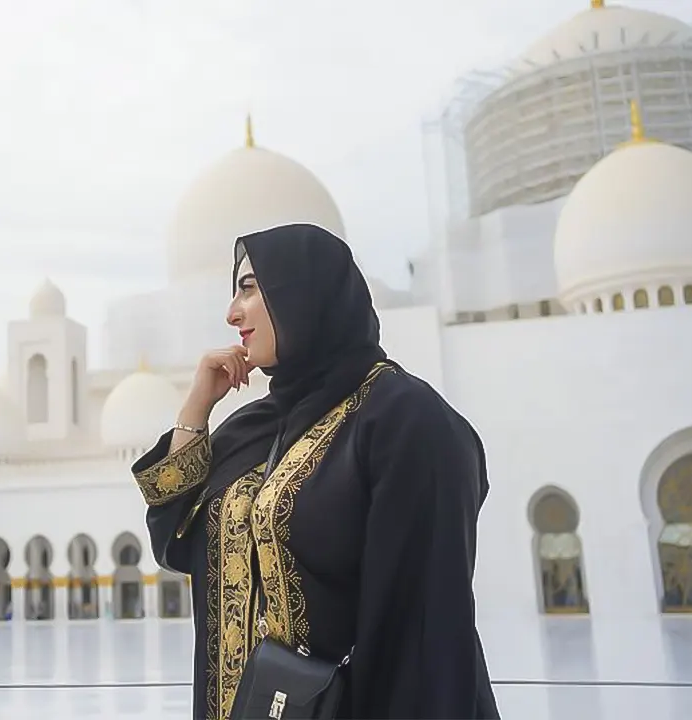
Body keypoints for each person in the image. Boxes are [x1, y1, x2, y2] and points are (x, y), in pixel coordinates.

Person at [131, 223, 500, 719]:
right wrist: (197, 409)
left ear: (301, 293)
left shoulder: (403, 420)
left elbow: (423, 628)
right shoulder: (256, 427)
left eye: (248, 287)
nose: (232, 313)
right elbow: (175, 543)